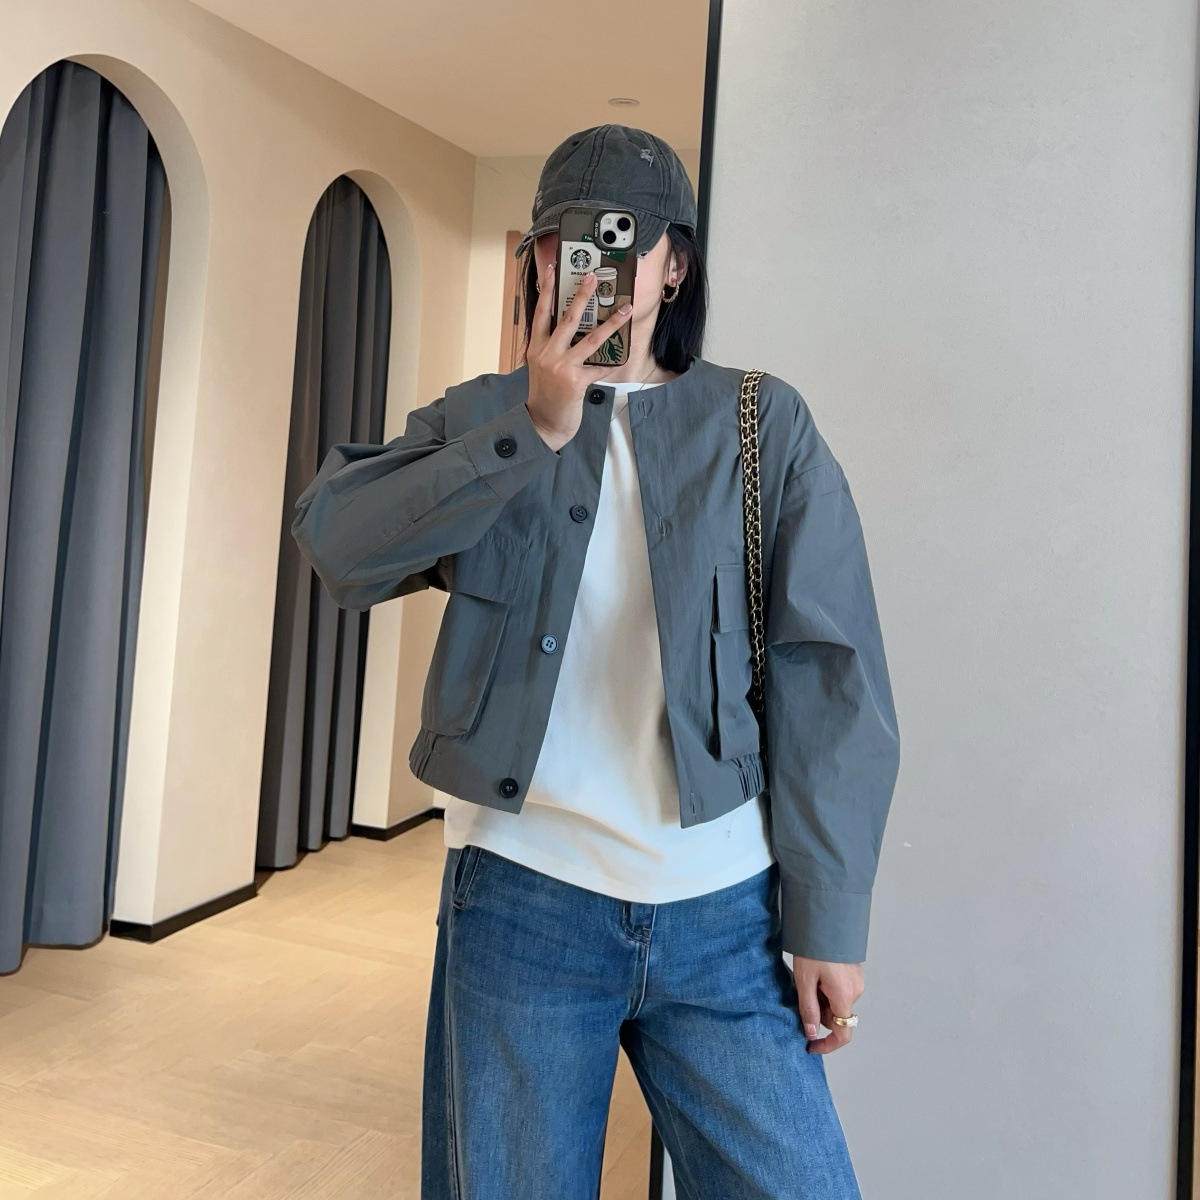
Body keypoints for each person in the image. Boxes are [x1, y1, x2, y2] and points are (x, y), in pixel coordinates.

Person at [292, 124, 900, 1200]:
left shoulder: (760, 423)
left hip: (725, 912)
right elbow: (337, 545)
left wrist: (829, 917)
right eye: (565, 239)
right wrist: (531, 429)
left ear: (674, 266)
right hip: (520, 903)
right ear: (536, 258)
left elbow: (831, 676)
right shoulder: (482, 416)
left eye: (627, 238)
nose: (593, 264)